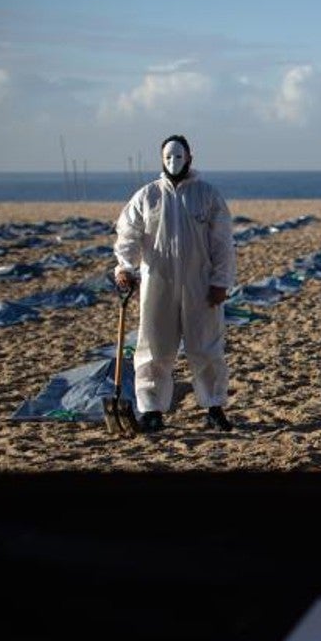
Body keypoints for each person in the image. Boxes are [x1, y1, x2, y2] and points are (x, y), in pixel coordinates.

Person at [114, 134, 236, 433]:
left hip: (201, 285)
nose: (173, 162)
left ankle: (214, 407)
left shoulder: (208, 195)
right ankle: (152, 409)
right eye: (168, 157)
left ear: (190, 158)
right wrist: (125, 267)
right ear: (161, 160)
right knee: (154, 348)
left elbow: (222, 242)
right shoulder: (147, 196)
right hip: (157, 283)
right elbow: (127, 234)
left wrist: (221, 281)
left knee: (206, 347)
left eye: (179, 157)